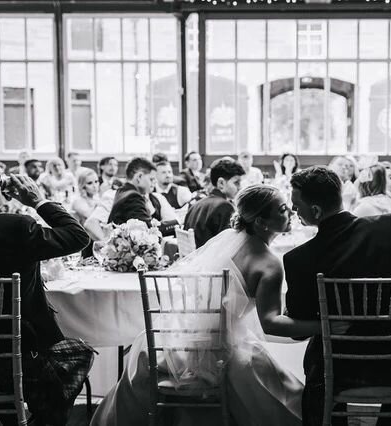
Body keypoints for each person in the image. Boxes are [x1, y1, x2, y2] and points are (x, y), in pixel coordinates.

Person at [92, 184, 340, 426]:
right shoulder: (269, 264)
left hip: (182, 342)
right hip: (222, 351)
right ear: (261, 221)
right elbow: (271, 324)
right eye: (283, 208)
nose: (291, 212)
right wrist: (323, 326)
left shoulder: (229, 239)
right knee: (283, 394)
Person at [284, 166, 391, 426]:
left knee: (318, 354)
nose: (294, 211)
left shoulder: (299, 259)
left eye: (296, 205)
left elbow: (297, 332)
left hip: (336, 368)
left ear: (315, 212)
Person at [0, 163, 91, 425]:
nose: (1, 182)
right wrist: (38, 201)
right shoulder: (16, 227)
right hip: (23, 364)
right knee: (80, 351)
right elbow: (78, 236)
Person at [183, 159, 245, 247]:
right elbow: (229, 246)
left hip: (194, 259)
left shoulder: (196, 204)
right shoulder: (224, 206)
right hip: (209, 259)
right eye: (236, 182)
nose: (240, 187)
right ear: (221, 183)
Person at [107, 158, 177, 235]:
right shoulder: (133, 197)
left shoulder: (122, 190)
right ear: (139, 177)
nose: (155, 182)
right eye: (151, 179)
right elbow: (150, 230)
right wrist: (177, 222)